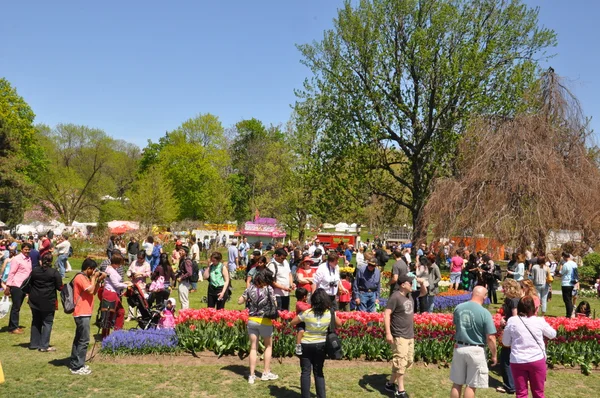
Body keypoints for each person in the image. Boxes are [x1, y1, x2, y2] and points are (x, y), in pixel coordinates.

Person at [290, 288, 342, 398]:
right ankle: (321, 396)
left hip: (306, 344)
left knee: (305, 372)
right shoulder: (329, 313)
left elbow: (293, 322)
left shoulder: (307, 313)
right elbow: (339, 324)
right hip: (321, 345)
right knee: (319, 372)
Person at [502, 296, 557, 398]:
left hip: (518, 360)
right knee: (538, 393)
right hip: (536, 359)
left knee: (521, 393)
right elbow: (552, 334)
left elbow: (506, 342)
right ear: (533, 307)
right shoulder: (539, 321)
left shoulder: (512, 321)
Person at [449, 286, 498, 398]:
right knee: (471, 384)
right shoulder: (484, 313)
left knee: (457, 383)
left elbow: (456, 325)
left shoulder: (459, 308)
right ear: (484, 297)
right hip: (476, 349)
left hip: (460, 347)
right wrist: (494, 355)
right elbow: (490, 337)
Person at [384, 274, 427, 398]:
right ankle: (400, 391)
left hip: (409, 335)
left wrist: (422, 283)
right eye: (410, 283)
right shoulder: (395, 297)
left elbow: (424, 293)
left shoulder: (410, 295)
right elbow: (387, 314)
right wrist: (388, 333)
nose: (412, 285)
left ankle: (390, 384)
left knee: (408, 361)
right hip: (399, 335)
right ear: (403, 285)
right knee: (400, 362)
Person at [238, 269, 278, 384]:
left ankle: (251, 375)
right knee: (268, 346)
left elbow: (240, 301)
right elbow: (274, 304)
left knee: (253, 348)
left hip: (252, 320)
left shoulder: (250, 288)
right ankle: (266, 372)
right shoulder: (268, 289)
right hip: (265, 320)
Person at [69, 258, 105, 375]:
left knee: (79, 338)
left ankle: (74, 362)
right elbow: (89, 290)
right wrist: (94, 278)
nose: (94, 272)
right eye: (93, 270)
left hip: (85, 312)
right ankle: (78, 366)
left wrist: (98, 281)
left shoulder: (87, 278)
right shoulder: (80, 277)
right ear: (88, 268)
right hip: (81, 313)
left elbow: (94, 291)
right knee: (84, 340)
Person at [28, 252, 63, 351]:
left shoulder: (35, 270)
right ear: (51, 261)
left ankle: (34, 343)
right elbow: (60, 287)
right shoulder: (54, 272)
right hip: (48, 300)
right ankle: (43, 345)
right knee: (47, 322)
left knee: (36, 321)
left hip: (34, 299)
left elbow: (30, 283)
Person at [497, 279, 523, 394]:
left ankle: (510, 386)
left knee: (505, 360)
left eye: (504, 287)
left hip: (512, 334)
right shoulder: (517, 299)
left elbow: (515, 318)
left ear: (509, 288)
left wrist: (505, 322)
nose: (503, 290)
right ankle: (514, 384)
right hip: (515, 333)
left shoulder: (513, 301)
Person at [4, 243, 33, 334]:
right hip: (17, 285)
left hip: (25, 286)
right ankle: (13, 328)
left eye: (29, 249)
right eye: (25, 249)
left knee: (18, 307)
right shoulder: (17, 259)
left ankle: (13, 326)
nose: (27, 251)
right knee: (16, 307)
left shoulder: (29, 259)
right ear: (21, 249)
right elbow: (11, 273)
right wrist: (8, 286)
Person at [101, 252, 131, 338]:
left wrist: (124, 283)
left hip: (111, 292)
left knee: (114, 313)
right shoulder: (111, 271)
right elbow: (116, 284)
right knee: (114, 313)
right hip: (111, 293)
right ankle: (114, 334)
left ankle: (110, 334)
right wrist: (127, 285)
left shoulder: (110, 269)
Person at [126, 251, 151, 320]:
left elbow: (148, 274)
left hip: (141, 285)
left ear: (144, 258)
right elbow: (129, 271)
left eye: (141, 258)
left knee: (140, 300)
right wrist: (130, 275)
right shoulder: (134, 262)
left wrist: (140, 274)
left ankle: (139, 315)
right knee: (131, 299)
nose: (139, 260)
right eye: (138, 258)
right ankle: (130, 315)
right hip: (133, 284)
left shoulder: (147, 264)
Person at [294, 287, 311, 356]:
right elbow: (304, 308)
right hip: (300, 322)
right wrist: (311, 306)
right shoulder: (298, 303)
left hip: (307, 321)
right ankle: (298, 346)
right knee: (301, 331)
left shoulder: (305, 303)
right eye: (307, 296)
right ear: (304, 297)